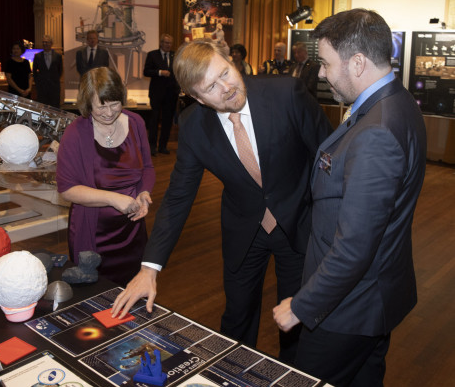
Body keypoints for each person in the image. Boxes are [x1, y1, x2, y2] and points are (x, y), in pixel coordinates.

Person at [112, 39, 333, 363]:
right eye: (212, 87)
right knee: (237, 319)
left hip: (299, 224)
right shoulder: (193, 127)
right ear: (197, 97)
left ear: (231, 62)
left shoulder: (286, 93)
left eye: (226, 73)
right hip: (245, 230)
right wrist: (149, 268)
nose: (227, 87)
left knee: (297, 323)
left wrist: (336, 227)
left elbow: (328, 156)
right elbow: (178, 197)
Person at [273, 8, 427, 386]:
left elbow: (356, 246)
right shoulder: (396, 100)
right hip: (372, 299)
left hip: (348, 307)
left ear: (357, 63)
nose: (321, 73)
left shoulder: (377, 132)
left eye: (326, 63)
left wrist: (302, 305)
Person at [56, 67, 155, 286]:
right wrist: (113, 198)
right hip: (94, 234)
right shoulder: (75, 133)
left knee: (133, 293)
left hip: (132, 230)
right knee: (96, 296)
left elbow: (147, 168)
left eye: (115, 104)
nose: (109, 112)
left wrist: (144, 193)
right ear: (87, 103)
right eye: (101, 106)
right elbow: (67, 188)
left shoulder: (136, 122)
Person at [143, 34, 180, 155]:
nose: (168, 45)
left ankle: (163, 146)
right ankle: (152, 147)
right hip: (156, 93)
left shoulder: (176, 56)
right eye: (166, 43)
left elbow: (179, 72)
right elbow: (146, 71)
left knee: (167, 121)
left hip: (171, 94)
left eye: (170, 43)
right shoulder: (152, 54)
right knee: (154, 121)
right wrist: (159, 72)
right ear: (161, 43)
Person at [33, 35, 63, 107]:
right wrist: (38, 82)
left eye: (46, 42)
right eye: (43, 42)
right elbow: (34, 71)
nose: (44, 44)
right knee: (42, 109)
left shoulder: (58, 56)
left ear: (51, 43)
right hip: (42, 88)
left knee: (55, 108)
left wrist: (54, 79)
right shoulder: (37, 56)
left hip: (54, 87)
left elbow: (60, 70)